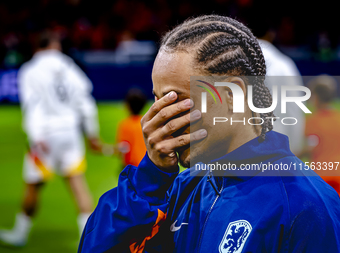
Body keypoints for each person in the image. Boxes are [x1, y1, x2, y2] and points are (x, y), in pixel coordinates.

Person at [78, 15, 340, 253]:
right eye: (157, 100)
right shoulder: (181, 188)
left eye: (175, 100)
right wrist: (151, 176)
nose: (158, 121)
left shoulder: (308, 207)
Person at [0, 32, 102, 247]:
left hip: (45, 135)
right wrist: (92, 134)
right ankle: (89, 239)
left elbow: (32, 105)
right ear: (53, 46)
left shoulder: (30, 70)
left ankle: (20, 234)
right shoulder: (70, 66)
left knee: (33, 185)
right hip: (70, 133)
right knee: (77, 184)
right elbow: (85, 101)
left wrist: (35, 136)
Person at [258, 30, 305, 155]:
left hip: (242, 152)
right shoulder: (284, 64)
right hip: (279, 148)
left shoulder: (229, 65)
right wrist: (295, 147)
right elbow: (294, 110)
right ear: (271, 34)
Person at [300, 75, 340, 195]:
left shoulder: (313, 121)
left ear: (315, 97)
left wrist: (289, 155)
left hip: (322, 177)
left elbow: (311, 147)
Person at [116, 88, 147, 167]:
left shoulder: (125, 125)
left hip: (133, 167)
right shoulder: (147, 123)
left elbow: (123, 148)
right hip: (148, 165)